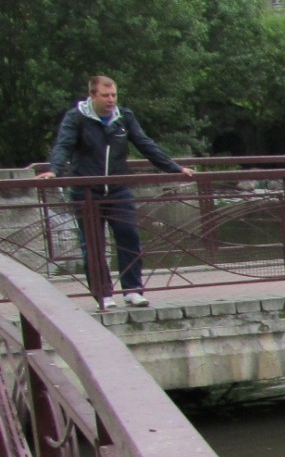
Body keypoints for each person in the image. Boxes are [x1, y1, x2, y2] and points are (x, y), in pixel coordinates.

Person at [39, 75, 188, 308]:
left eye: (114, 95)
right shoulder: (76, 117)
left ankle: (133, 290)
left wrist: (174, 168)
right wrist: (54, 170)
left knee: (129, 236)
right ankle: (103, 294)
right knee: (93, 245)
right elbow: (64, 145)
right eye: (105, 95)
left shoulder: (124, 117)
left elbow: (144, 143)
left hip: (119, 190)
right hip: (86, 192)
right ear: (92, 95)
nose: (111, 100)